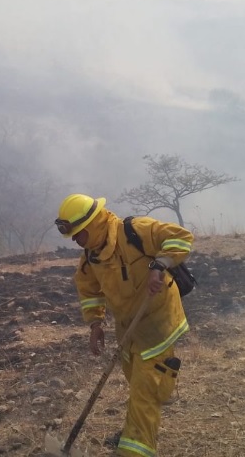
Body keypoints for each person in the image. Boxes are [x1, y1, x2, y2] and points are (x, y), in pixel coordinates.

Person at [55, 193, 194, 457]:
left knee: (145, 392)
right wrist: (95, 323)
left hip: (157, 324)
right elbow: (88, 289)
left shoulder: (136, 231)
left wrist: (159, 264)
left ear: (92, 224)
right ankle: (137, 424)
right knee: (138, 383)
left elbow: (181, 236)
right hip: (128, 331)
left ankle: (135, 450)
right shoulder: (91, 256)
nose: (74, 241)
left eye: (77, 234)